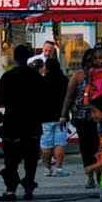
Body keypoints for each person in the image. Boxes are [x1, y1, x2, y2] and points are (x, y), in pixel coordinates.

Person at [0, 44, 43, 200]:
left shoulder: (8, 76)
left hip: (13, 122)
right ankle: (28, 187)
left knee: (11, 159)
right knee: (31, 159)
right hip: (32, 123)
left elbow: (0, 98)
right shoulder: (36, 76)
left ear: (15, 58)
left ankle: (11, 189)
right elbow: (44, 98)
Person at [63, 46, 102, 189]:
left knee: (99, 146)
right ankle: (90, 175)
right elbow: (69, 97)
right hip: (82, 117)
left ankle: (99, 172)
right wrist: (63, 115)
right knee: (86, 149)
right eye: (89, 61)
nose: (91, 64)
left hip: (99, 117)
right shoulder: (78, 77)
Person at [39, 48, 69, 176]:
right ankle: (58, 168)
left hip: (45, 117)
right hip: (61, 116)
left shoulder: (42, 81)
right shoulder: (64, 80)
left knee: (46, 144)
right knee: (60, 143)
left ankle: (47, 169)